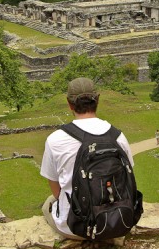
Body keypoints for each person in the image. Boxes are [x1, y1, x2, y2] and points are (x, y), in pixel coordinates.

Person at [40, 77, 135, 240]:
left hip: (76, 228)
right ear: (97, 99)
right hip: (119, 221)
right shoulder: (118, 136)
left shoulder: (55, 139)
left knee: (48, 203)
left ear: (69, 104)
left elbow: (56, 189)